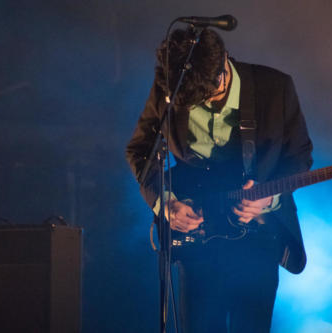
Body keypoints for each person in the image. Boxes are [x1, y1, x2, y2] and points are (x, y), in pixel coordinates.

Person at [126, 27, 313, 333]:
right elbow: (140, 150)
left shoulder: (275, 87)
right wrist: (166, 203)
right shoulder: (170, 87)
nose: (203, 103)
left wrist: (269, 198)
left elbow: (299, 156)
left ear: (224, 64)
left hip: (258, 236)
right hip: (197, 238)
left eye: (209, 95)